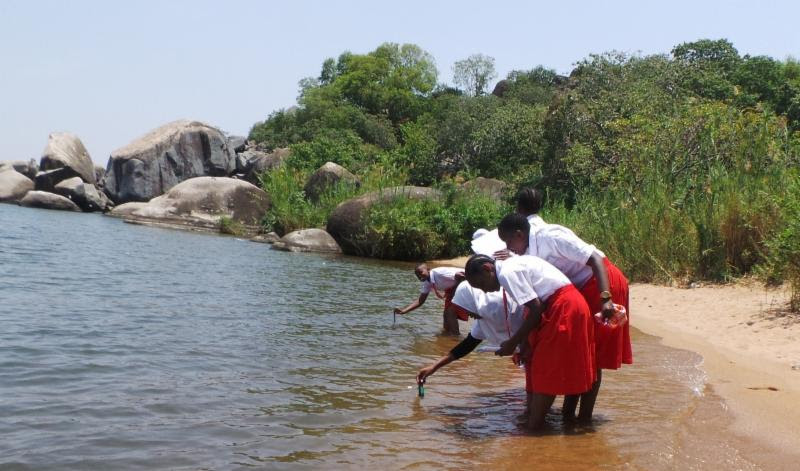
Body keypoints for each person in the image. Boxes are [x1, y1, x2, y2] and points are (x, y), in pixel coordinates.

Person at [495, 213, 632, 423]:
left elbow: (595, 259)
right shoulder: (526, 249)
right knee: (580, 352)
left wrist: (606, 299)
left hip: (602, 283)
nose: (508, 247)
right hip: (580, 288)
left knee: (593, 356)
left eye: (509, 241)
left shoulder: (550, 236)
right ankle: (568, 414)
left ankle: (583, 417)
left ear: (520, 234)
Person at [464, 253, 595, 430]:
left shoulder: (507, 273)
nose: (485, 291)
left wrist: (513, 342)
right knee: (539, 363)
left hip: (563, 307)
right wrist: (524, 343)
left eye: (481, 284)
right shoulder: (511, 267)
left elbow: (536, 307)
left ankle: (534, 430)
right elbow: (532, 307)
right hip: (563, 305)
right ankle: (552, 421)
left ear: (488, 269)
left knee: (547, 367)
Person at [416, 282, 526, 396]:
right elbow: (466, 346)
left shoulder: (498, 307)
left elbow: (527, 324)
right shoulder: (483, 319)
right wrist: (434, 367)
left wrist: (516, 346)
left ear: (473, 302)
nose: (467, 314)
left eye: (466, 308)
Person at [394, 264, 467, 335]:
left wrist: (454, 291)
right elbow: (420, 301)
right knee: (446, 318)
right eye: (417, 275)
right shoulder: (427, 282)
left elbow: (461, 275)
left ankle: (456, 338)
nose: (419, 276)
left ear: (428, 270)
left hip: (465, 285)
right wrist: (403, 311)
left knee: (450, 313)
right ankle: (447, 341)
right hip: (453, 291)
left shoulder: (439, 273)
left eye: (420, 273)